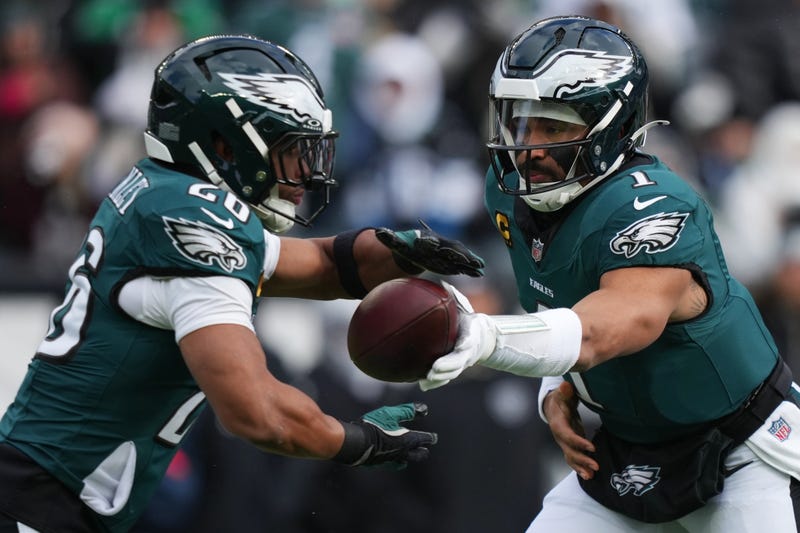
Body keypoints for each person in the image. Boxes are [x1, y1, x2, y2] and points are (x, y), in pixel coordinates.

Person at [0, 34, 485, 533]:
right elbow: (254, 412)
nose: (304, 174)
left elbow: (320, 264)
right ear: (223, 143)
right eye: (290, 150)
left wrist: (399, 251)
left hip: (44, 495)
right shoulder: (193, 223)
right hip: (36, 505)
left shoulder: (169, 194)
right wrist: (356, 440)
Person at [417, 15, 800, 532]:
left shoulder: (652, 204)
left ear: (611, 125)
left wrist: (483, 335)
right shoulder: (509, 191)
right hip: (627, 454)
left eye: (552, 126)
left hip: (740, 452)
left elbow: (611, 326)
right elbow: (557, 301)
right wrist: (554, 390)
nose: (528, 148)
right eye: (519, 121)